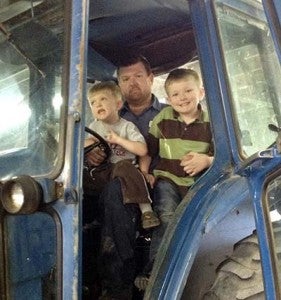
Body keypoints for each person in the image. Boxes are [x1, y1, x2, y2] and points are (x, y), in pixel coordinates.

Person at [83, 55, 166, 300]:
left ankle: (118, 284)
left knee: (114, 191)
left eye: (139, 76)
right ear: (119, 85)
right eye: (125, 78)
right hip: (115, 179)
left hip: (158, 181)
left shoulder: (168, 113)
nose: (133, 83)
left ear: (151, 78)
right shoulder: (103, 118)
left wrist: (148, 172)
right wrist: (91, 157)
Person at [134, 68, 214, 290]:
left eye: (188, 91)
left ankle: (189, 274)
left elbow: (220, 155)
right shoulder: (163, 118)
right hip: (167, 179)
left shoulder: (212, 121)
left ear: (201, 92)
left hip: (198, 182)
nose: (182, 98)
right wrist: (145, 173)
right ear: (168, 99)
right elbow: (148, 150)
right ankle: (154, 272)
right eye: (176, 94)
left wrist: (207, 160)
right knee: (167, 218)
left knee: (195, 223)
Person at [85, 81, 160, 229]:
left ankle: (146, 211)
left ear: (118, 105)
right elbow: (82, 143)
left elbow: (142, 150)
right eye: (93, 102)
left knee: (124, 166)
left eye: (103, 99)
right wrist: (89, 146)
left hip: (125, 170)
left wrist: (119, 140)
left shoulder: (126, 126)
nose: (98, 104)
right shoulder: (93, 127)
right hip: (103, 170)